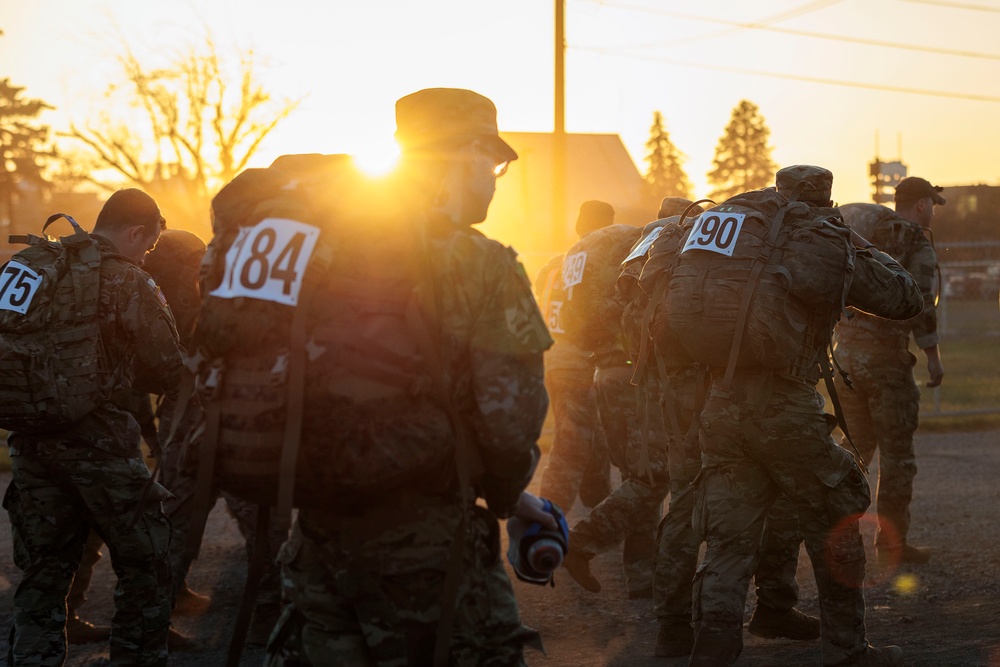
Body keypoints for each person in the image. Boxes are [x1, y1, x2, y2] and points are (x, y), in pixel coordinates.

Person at [262, 88, 554, 666]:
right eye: (492, 162)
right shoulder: (481, 262)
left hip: (315, 545)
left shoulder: (318, 247)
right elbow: (509, 419)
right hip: (430, 552)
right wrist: (504, 496)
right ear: (463, 153)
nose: (495, 179)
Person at [684, 166, 923, 666]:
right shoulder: (816, 238)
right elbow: (905, 297)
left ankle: (715, 642)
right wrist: (851, 237)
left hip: (720, 403)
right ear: (824, 197)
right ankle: (846, 650)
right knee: (840, 506)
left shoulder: (734, 227)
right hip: (784, 404)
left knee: (730, 533)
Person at [4, 189, 182, 667]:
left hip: (28, 444)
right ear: (137, 232)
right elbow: (168, 367)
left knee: (43, 575)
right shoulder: (128, 281)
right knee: (146, 565)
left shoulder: (31, 266)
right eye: (146, 247)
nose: (144, 256)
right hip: (99, 445)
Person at [834, 176, 945, 567]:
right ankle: (891, 543)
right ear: (919, 205)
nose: (932, 211)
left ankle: (836, 536)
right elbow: (921, 302)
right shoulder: (915, 240)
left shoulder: (864, 234)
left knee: (853, 451)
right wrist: (932, 355)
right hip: (885, 362)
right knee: (897, 457)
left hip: (845, 356)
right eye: (931, 203)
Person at [536, 200, 617, 515]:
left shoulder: (555, 264)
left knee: (589, 441)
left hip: (555, 360)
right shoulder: (600, 263)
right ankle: (543, 525)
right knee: (571, 447)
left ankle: (600, 510)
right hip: (580, 364)